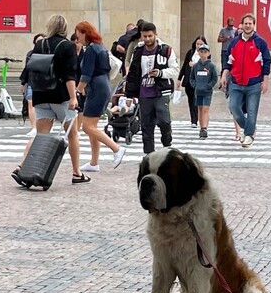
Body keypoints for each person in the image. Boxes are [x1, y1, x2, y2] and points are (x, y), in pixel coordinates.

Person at [17, 14, 85, 182]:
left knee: (42, 136)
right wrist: (73, 98)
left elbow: (30, 67)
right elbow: (70, 75)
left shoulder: (40, 43)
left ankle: (29, 170)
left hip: (41, 95)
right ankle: (77, 173)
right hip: (61, 96)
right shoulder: (67, 46)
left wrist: (24, 83)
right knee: (72, 134)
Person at [74, 20, 127, 173]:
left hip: (96, 87)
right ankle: (94, 162)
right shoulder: (99, 47)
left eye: (79, 35)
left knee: (87, 126)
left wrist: (78, 90)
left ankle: (116, 149)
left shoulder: (91, 49)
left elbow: (86, 73)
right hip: (102, 85)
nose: (78, 39)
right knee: (92, 126)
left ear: (85, 33)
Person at [123, 21, 179, 155]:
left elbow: (174, 70)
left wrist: (160, 73)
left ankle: (167, 142)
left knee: (164, 121)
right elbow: (133, 73)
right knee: (146, 126)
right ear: (141, 36)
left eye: (150, 36)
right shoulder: (138, 51)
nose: (147, 39)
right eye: (144, 36)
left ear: (155, 35)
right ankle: (149, 154)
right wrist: (129, 95)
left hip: (161, 91)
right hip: (144, 93)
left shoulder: (165, 50)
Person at [221, 13, 271, 148]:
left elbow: (267, 62)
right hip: (236, 82)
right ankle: (250, 129)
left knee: (252, 110)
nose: (248, 26)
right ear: (242, 25)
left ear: (254, 25)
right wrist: (224, 75)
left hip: (254, 83)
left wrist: (265, 81)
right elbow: (228, 61)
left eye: (250, 23)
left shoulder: (260, 42)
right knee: (233, 107)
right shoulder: (234, 42)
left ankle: (248, 136)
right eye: (246, 23)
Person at [191, 44, 219, 139]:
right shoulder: (196, 66)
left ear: (208, 53)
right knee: (200, 109)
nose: (203, 54)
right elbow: (192, 78)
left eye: (205, 52)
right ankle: (201, 127)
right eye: (201, 52)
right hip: (198, 91)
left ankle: (204, 127)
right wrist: (195, 85)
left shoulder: (211, 66)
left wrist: (209, 86)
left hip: (207, 91)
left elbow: (214, 78)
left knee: (205, 109)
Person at [21, 33, 45, 138]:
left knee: (43, 106)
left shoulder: (49, 53)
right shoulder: (30, 54)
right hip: (31, 82)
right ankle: (34, 127)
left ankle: (44, 125)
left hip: (44, 83)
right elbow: (27, 69)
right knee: (31, 104)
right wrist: (23, 82)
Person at [180, 36, 207, 127]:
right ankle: (193, 120)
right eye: (197, 44)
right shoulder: (190, 52)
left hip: (199, 81)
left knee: (197, 100)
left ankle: (199, 118)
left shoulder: (206, 54)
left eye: (201, 44)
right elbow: (184, 66)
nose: (199, 46)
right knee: (191, 100)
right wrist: (179, 78)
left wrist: (195, 65)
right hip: (189, 80)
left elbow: (207, 67)